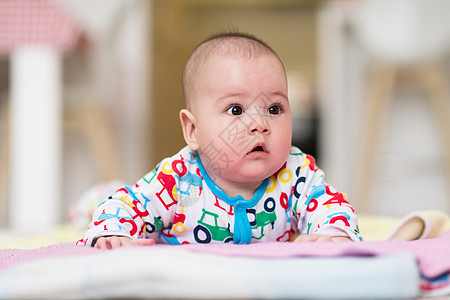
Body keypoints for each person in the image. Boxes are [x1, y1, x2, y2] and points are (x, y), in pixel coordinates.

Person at [78, 32, 362, 249]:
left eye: (274, 109)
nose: (260, 125)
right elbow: (131, 204)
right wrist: (112, 231)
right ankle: (93, 201)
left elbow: (331, 205)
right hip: (135, 207)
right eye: (236, 110)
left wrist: (333, 232)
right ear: (193, 130)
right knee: (111, 201)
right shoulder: (177, 179)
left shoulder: (297, 173)